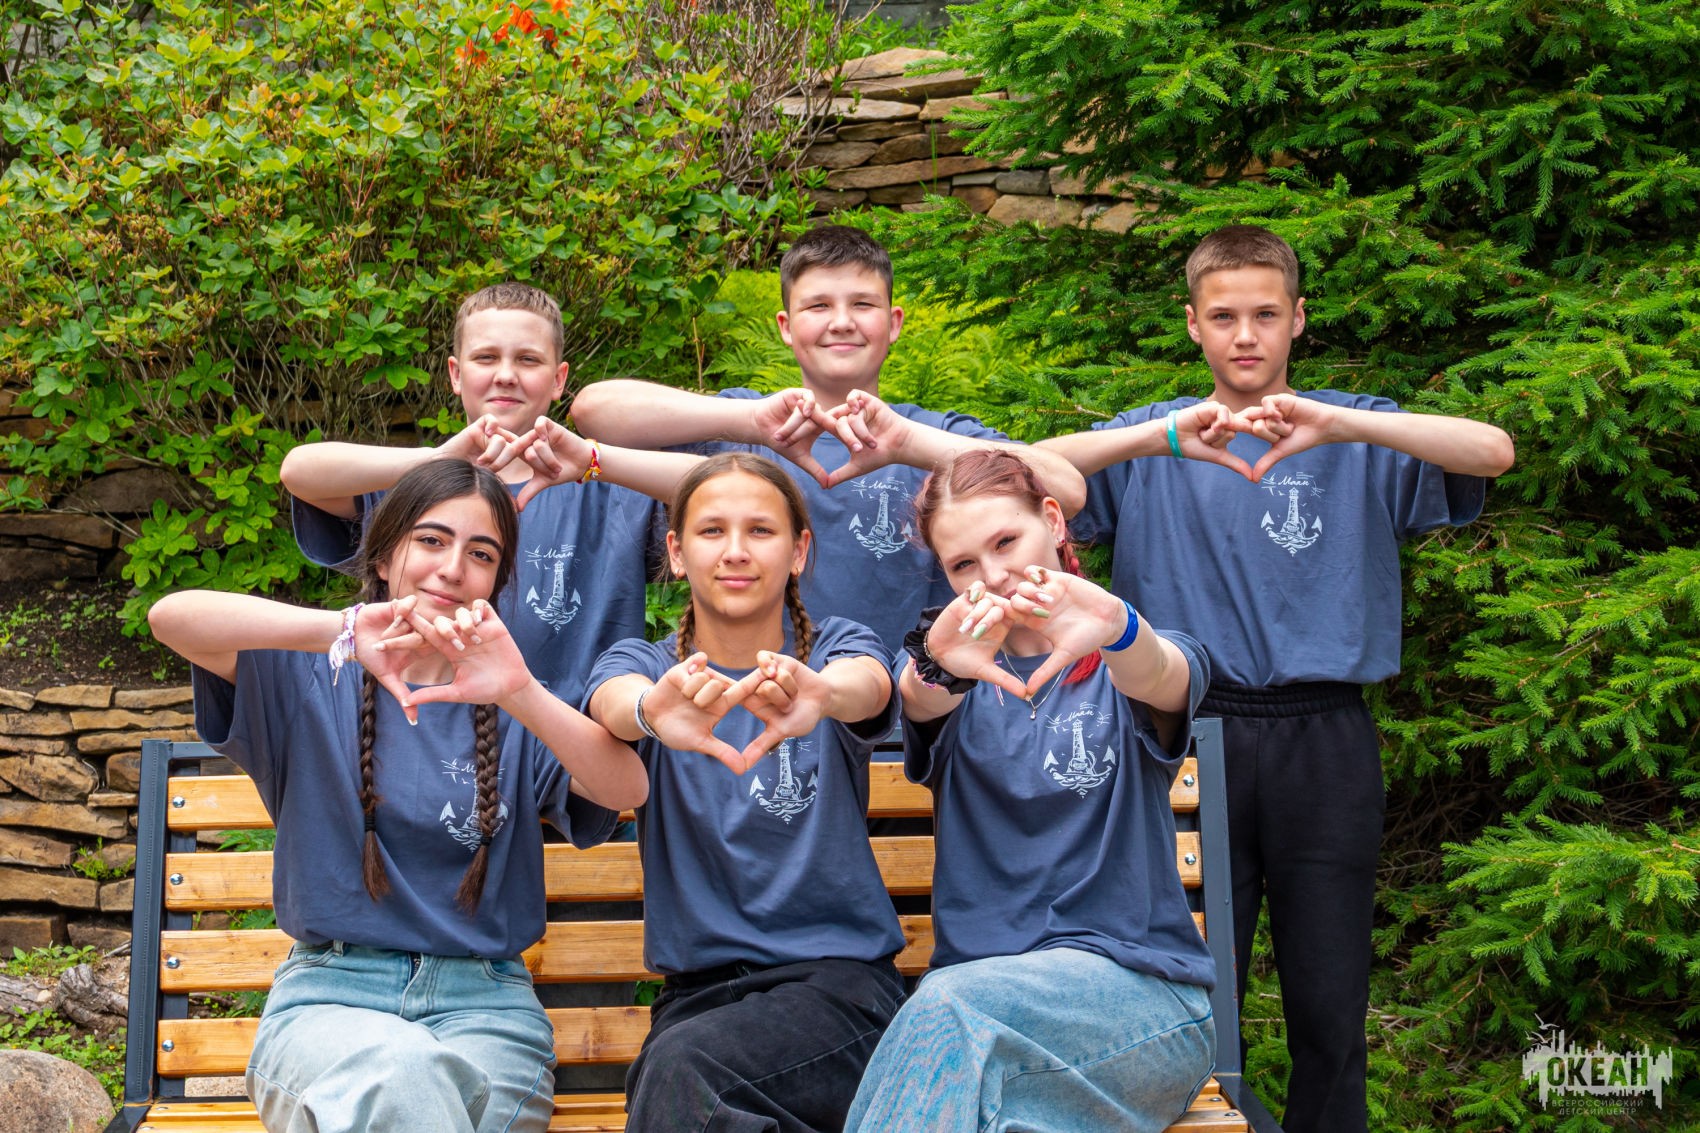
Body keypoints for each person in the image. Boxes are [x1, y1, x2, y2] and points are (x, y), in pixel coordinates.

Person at [1037, 224, 1516, 1133]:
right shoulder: (1156, 440)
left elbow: (1491, 450)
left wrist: (1338, 422)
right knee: (1180, 991)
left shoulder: (1357, 433)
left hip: (1325, 739)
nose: (1245, 335)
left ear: (1298, 318)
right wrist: (1159, 437)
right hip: (1181, 734)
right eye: (1223, 316)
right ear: (1193, 324)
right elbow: (1028, 472)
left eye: (1265, 314)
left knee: (1329, 1001)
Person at [147, 459, 650, 1133]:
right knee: (401, 1073)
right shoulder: (307, 680)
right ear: (383, 557)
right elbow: (171, 617)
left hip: (489, 1012)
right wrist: (343, 631)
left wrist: (520, 690)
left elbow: (625, 787)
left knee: (406, 1092)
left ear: (496, 584)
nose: (453, 568)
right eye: (431, 540)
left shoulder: (519, 709)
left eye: (481, 554)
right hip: (329, 1001)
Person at [841, 449, 1216, 1133]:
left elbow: (1162, 673)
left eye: (1005, 542)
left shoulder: (1130, 663)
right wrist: (941, 663)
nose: (991, 576)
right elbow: (918, 694)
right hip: (983, 1031)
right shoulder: (953, 681)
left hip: (1141, 1006)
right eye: (962, 564)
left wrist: (1118, 627)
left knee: (946, 1006)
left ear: (1053, 519)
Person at [569, 225, 1086, 658]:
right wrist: (749, 421)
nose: (841, 322)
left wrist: (906, 442)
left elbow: (1066, 488)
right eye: (818, 305)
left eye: (862, 303)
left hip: (917, 717)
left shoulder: (935, 437)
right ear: (786, 326)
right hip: (762, 707)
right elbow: (594, 410)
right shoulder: (739, 436)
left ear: (894, 323)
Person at [583, 452, 906, 1132]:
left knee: (683, 1074)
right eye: (711, 531)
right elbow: (614, 700)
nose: (735, 551)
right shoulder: (648, 667)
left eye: (760, 530)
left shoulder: (832, 652)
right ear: (676, 552)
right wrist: (650, 713)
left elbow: (869, 683)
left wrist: (823, 695)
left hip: (840, 991)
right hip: (695, 1000)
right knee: (680, 1075)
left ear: (799, 551)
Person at [280, 281, 699, 704]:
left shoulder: (613, 493)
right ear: (455, 374)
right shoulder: (413, 489)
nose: (505, 375)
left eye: (528, 360)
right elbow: (299, 471)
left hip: (578, 737)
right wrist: (434, 459)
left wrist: (596, 461)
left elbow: (723, 489)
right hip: (428, 727)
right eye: (486, 358)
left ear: (559, 379)